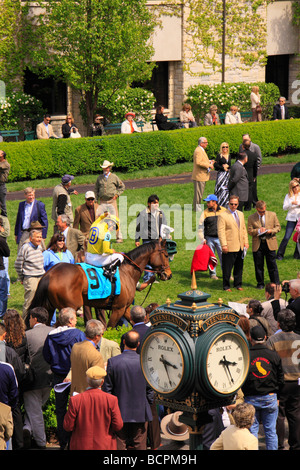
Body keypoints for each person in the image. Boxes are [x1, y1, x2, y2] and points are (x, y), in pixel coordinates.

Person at [43, 307, 86, 450]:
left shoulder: (51, 336)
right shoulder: (79, 335)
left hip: (58, 377)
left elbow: (46, 356)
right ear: (70, 320)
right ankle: (75, 440)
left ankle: (63, 441)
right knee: (77, 408)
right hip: (76, 376)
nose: (77, 320)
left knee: (60, 409)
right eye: (75, 318)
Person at [102, 330, 153, 450]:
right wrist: (148, 403)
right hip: (141, 410)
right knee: (140, 442)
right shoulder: (145, 362)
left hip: (119, 410)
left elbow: (107, 388)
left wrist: (109, 409)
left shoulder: (113, 362)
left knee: (120, 441)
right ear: (139, 344)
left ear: (124, 342)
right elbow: (150, 388)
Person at [242, 324, 284, 450]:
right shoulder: (273, 355)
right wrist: (278, 396)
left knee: (252, 431)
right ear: (265, 337)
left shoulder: (246, 355)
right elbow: (281, 378)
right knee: (270, 431)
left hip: (251, 398)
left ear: (250, 338)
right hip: (270, 397)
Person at [63, 366, 123, 450]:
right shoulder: (111, 400)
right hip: (105, 445)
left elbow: (68, 426)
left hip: (81, 445)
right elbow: (118, 425)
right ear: (102, 382)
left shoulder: (75, 400)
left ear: (87, 381)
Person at [266, 309, 300, 450]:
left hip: (280, 384)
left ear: (278, 324)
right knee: (295, 414)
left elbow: (268, 363)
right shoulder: (299, 338)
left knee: (279, 415)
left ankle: (279, 445)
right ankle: (296, 445)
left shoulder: (272, 340)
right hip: (297, 382)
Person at [22, 307, 54, 450]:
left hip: (33, 379)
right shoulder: (54, 332)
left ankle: (41, 442)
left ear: (34, 318)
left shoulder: (27, 335)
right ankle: (27, 429)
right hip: (51, 379)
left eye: (29, 318)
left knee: (35, 412)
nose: (29, 320)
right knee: (35, 409)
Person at [217, 194, 249, 291]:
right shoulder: (223, 215)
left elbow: (243, 229)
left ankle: (238, 284)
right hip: (229, 245)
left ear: (238, 204)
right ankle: (226, 286)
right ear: (228, 204)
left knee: (239, 267)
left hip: (240, 245)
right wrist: (224, 245)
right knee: (227, 267)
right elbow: (221, 231)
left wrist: (246, 242)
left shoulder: (241, 214)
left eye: (235, 204)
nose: (234, 206)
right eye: (232, 204)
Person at [65, 319, 105, 396]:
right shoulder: (96, 355)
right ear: (97, 336)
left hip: (75, 392)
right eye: (102, 334)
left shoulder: (75, 346)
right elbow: (98, 380)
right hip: (88, 395)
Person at [247, 200, 281, 289]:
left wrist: (270, 231)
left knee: (272, 264)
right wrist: (258, 230)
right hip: (258, 244)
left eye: (264, 211)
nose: (262, 213)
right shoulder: (251, 217)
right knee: (258, 265)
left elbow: (278, 227)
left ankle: (275, 282)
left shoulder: (272, 215)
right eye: (260, 211)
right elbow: (249, 231)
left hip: (270, 242)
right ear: (256, 209)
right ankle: (260, 283)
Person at [14, 229, 45, 321]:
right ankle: (25, 324)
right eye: (37, 237)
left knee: (40, 302)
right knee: (29, 303)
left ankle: (38, 323)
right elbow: (18, 264)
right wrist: (21, 277)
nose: (39, 239)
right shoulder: (25, 248)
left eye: (40, 237)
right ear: (31, 238)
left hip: (41, 277)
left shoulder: (40, 247)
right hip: (31, 278)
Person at [94, 160, 125, 242]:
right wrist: (96, 199)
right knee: (103, 219)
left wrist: (117, 195)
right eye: (104, 168)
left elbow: (122, 187)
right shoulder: (99, 178)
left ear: (109, 168)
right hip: (102, 201)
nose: (105, 169)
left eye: (107, 168)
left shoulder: (114, 177)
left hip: (112, 201)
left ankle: (119, 237)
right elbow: (96, 189)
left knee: (115, 218)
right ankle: (103, 236)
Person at [197, 194, 226, 280]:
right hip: (209, 239)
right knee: (211, 258)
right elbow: (200, 227)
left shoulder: (224, 211)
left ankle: (226, 273)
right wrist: (202, 238)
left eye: (208, 202)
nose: (207, 204)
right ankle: (213, 274)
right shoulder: (205, 212)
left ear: (214, 202)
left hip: (221, 239)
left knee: (223, 257)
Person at [276, 179, 300, 260]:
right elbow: (284, 207)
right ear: (291, 188)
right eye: (294, 187)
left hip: (299, 218)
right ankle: (279, 254)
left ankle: (297, 255)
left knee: (299, 237)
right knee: (287, 237)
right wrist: (291, 203)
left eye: (297, 185)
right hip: (291, 218)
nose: (296, 188)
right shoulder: (288, 196)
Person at [192, 137, 215, 211]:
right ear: (201, 143)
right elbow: (198, 162)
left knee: (200, 192)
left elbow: (202, 160)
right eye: (206, 143)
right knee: (198, 193)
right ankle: (196, 207)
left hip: (202, 175)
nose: (207, 144)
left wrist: (209, 161)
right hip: (199, 175)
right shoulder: (198, 151)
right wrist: (209, 165)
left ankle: (197, 206)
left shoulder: (201, 150)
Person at [239, 133, 262, 205]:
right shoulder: (241, 147)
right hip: (244, 170)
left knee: (253, 187)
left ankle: (255, 202)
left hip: (252, 170)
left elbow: (259, 158)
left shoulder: (255, 147)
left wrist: (256, 168)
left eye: (246, 139)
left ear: (250, 139)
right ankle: (246, 202)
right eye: (244, 139)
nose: (245, 141)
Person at [241, 137, 258, 210]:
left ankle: (243, 204)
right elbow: (255, 167)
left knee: (242, 190)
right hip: (251, 174)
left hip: (243, 174)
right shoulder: (254, 155)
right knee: (250, 191)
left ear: (243, 146)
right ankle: (248, 206)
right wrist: (254, 176)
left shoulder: (241, 155)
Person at [214, 142, 231, 207]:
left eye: (226, 147)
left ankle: (225, 202)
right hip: (221, 174)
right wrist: (223, 167)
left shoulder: (229, 155)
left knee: (226, 188)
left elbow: (230, 165)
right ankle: (219, 202)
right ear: (221, 148)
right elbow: (215, 165)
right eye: (223, 147)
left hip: (227, 174)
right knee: (220, 187)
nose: (225, 148)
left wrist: (227, 167)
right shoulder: (219, 155)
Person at [0, 150, 10, 217]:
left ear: (2, 155)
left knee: (3, 205)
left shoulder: (6, 164)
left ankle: (4, 219)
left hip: (1, 186)